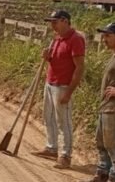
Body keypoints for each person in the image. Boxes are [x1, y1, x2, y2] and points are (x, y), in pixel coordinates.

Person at [31, 9, 85, 169]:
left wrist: (69, 92)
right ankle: (51, 147)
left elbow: (80, 67)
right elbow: (55, 60)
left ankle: (65, 155)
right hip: (50, 83)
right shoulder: (56, 39)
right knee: (48, 117)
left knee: (64, 122)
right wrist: (47, 57)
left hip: (63, 86)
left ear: (64, 21)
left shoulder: (76, 39)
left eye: (55, 22)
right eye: (51, 22)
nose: (52, 25)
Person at [80, 22, 115, 182]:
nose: (104, 39)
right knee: (101, 142)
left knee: (113, 144)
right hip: (106, 107)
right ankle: (102, 174)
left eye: (108, 35)